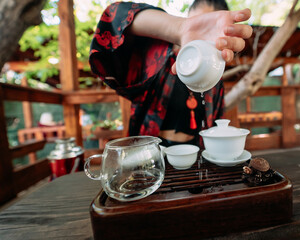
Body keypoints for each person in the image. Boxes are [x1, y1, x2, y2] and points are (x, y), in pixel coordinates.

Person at [89, 0, 252, 147]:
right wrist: (180, 28)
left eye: (208, 28)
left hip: (196, 156)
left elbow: (215, 124)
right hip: (150, 158)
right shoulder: (158, 62)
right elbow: (114, 17)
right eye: (195, 22)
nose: (200, 36)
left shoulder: (215, 79)